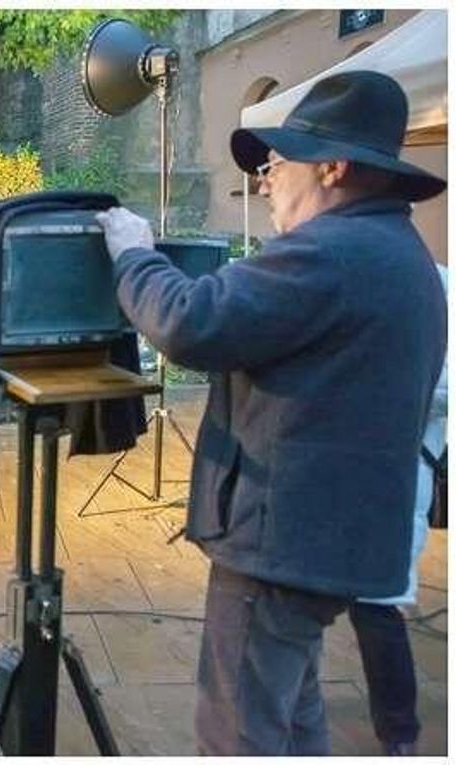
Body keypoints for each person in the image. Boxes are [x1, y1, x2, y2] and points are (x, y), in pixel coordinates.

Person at [94, 70, 446, 756]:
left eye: (277, 162)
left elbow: (191, 321)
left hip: (282, 544)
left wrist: (133, 253)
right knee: (292, 714)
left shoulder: (331, 251)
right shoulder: (403, 254)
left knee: (240, 731)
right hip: (335, 544)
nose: (263, 180)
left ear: (334, 167)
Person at [348, 264, 447, 756]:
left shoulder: (435, 284)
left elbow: (441, 388)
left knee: (378, 603)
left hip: (401, 469)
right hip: (345, 464)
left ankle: (399, 736)